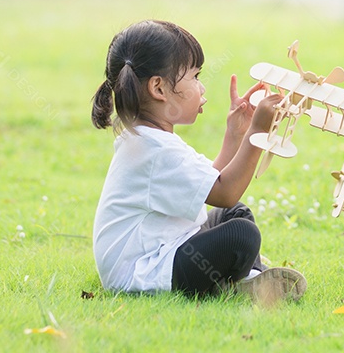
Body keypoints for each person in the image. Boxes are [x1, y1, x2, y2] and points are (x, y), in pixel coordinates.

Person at [91, 19, 307, 303]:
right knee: (241, 235)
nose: (202, 88)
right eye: (194, 77)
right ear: (159, 88)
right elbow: (225, 192)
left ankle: (250, 277)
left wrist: (236, 133)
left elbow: (207, 183)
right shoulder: (156, 149)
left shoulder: (148, 139)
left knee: (235, 215)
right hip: (143, 272)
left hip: (163, 250)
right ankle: (247, 278)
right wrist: (257, 132)